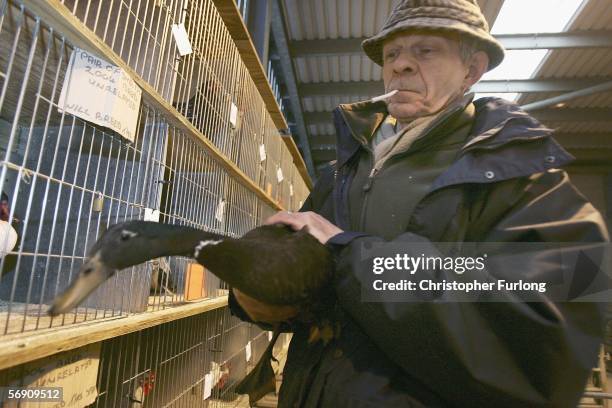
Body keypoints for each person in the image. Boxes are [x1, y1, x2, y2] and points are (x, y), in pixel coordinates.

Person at [230, 0, 610, 406]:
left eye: (425, 50)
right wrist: (264, 297)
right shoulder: (347, 170)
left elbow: (551, 331)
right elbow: (321, 294)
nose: (400, 65)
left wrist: (351, 257)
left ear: (472, 70)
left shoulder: (523, 175)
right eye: (392, 54)